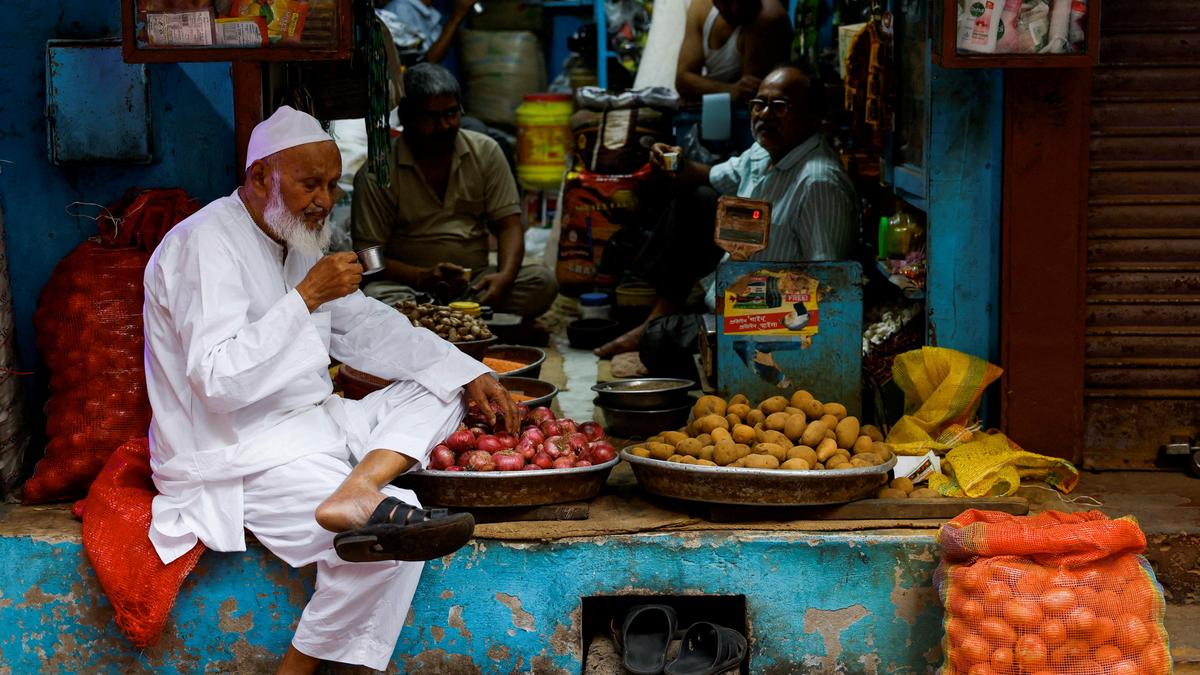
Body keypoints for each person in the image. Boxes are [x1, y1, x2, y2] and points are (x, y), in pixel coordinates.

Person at [142, 105, 517, 673]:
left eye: (332, 184)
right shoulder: (203, 244)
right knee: (397, 530)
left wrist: (467, 370)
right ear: (261, 177)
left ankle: (359, 486)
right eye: (310, 184)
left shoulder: (295, 240)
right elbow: (217, 381)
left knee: (443, 387)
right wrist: (306, 297)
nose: (325, 199)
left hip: (314, 425)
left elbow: (364, 326)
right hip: (235, 453)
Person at [595, 66, 858, 360]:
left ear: (813, 117)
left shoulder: (818, 183)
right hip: (736, 292)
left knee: (658, 342)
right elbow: (705, 176)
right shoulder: (762, 154)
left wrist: (751, 316)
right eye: (758, 104)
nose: (765, 114)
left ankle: (666, 329)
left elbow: (827, 292)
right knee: (695, 200)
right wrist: (674, 161)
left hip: (775, 318)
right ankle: (661, 315)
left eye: (780, 106)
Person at [353, 63, 558, 319]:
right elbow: (368, 258)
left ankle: (443, 324)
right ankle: (473, 324)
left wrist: (504, 277)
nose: (444, 125)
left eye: (451, 113)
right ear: (407, 118)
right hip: (409, 289)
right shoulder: (377, 172)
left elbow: (509, 225)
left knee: (541, 282)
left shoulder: (485, 151)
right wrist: (420, 276)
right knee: (376, 298)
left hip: (474, 286)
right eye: (430, 117)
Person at [675, 0, 793, 104]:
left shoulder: (767, 17)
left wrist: (703, 89)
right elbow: (682, 81)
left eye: (742, 1)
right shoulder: (701, 6)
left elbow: (747, 97)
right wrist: (729, 90)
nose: (736, 9)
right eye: (727, 1)